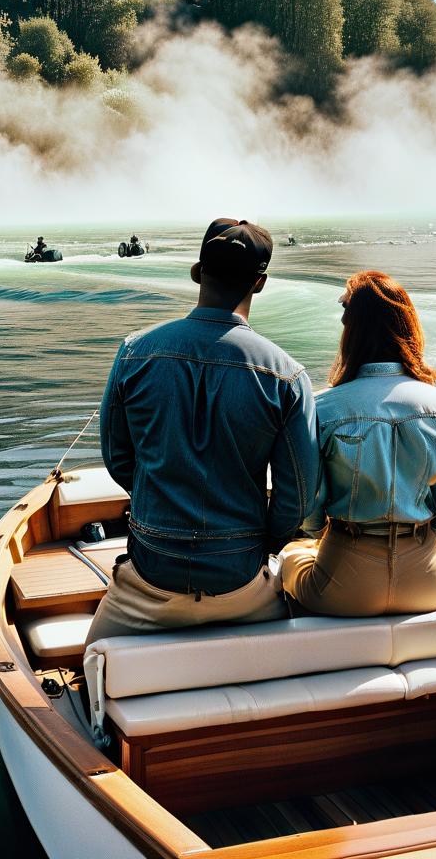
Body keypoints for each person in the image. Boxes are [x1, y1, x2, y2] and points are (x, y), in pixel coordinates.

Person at [85, 218, 323, 645]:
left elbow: (118, 458)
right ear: (260, 283)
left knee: (85, 675)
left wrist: (155, 504)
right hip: (241, 579)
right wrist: (261, 543)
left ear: (197, 272)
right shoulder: (287, 375)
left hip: (150, 573)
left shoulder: (135, 351)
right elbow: (299, 495)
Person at [280, 270, 436, 617]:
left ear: (350, 333)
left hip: (345, 585)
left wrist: (316, 534)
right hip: (429, 585)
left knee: (293, 555)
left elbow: (311, 516)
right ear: (408, 326)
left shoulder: (322, 408)